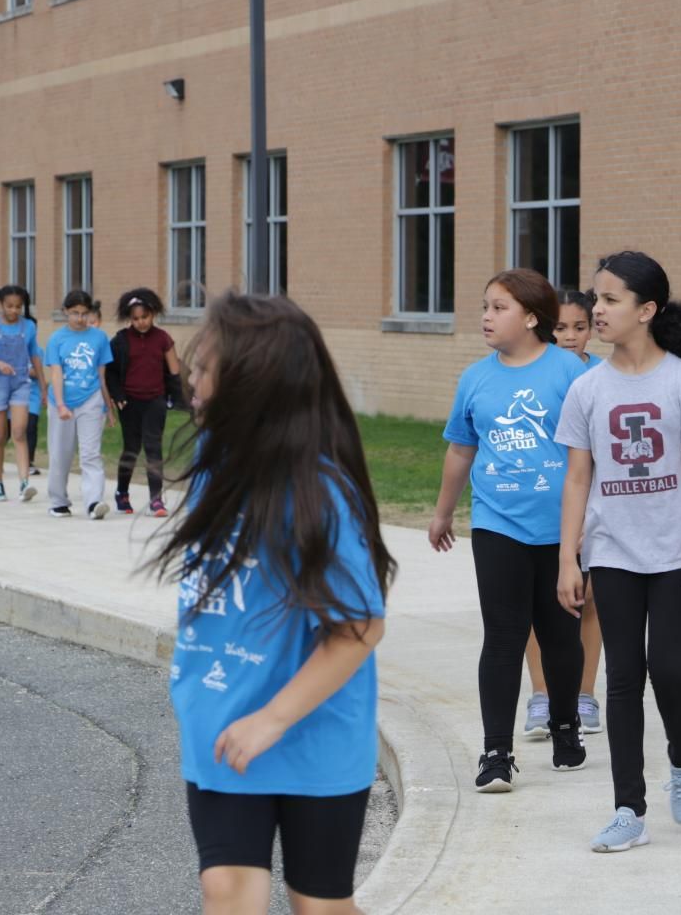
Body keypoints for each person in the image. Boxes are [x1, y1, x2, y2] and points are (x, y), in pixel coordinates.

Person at [144, 291, 395, 915]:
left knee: (320, 905)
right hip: (224, 723)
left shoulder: (316, 491)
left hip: (315, 734)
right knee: (226, 891)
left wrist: (274, 719)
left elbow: (359, 628)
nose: (190, 377)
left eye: (205, 367)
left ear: (256, 382)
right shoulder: (214, 460)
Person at [556, 251, 681, 853]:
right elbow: (578, 478)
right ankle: (629, 807)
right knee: (622, 677)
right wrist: (567, 559)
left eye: (609, 300)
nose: (595, 310)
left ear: (646, 310)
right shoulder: (586, 388)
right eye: (595, 299)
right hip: (611, 551)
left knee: (669, 668)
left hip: (677, 551)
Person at [428, 270, 591, 791]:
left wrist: (589, 524)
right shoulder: (476, 377)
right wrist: (443, 512)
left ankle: (565, 725)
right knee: (502, 635)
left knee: (559, 633)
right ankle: (496, 752)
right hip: (497, 524)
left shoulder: (570, 372)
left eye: (498, 308)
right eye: (485, 306)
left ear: (530, 317)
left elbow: (591, 456)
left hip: (561, 529)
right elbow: (461, 448)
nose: (486, 317)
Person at [522, 289, 606, 738]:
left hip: (594, 505)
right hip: (542, 505)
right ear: (542, 326)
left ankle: (584, 694)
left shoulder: (603, 376)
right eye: (560, 327)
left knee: (589, 603)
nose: (570, 337)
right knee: (540, 604)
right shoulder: (530, 373)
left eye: (580, 327)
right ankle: (541, 696)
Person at [107, 287, 182, 517]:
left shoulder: (163, 339)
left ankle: (156, 500)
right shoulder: (120, 340)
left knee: (153, 449)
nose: (140, 322)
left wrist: (174, 398)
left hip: (155, 401)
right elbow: (110, 373)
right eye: (136, 318)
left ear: (153, 314)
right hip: (129, 403)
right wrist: (117, 395)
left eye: (145, 317)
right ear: (130, 318)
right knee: (131, 448)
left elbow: (174, 370)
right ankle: (122, 493)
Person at [45, 290, 114, 519]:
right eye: (75, 313)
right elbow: (56, 373)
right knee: (60, 453)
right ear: (65, 311)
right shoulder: (56, 338)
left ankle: (94, 502)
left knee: (90, 453)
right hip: (61, 402)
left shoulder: (99, 338)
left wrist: (108, 406)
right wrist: (61, 405)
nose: (80, 318)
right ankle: (58, 501)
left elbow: (101, 375)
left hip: (91, 399)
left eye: (85, 313)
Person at [0, 286, 45, 503]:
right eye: (10, 306)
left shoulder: (29, 326)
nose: (14, 311)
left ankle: (24, 482)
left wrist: (43, 385)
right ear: (1, 305)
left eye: (18, 306)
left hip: (21, 383)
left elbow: (34, 356)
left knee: (20, 432)